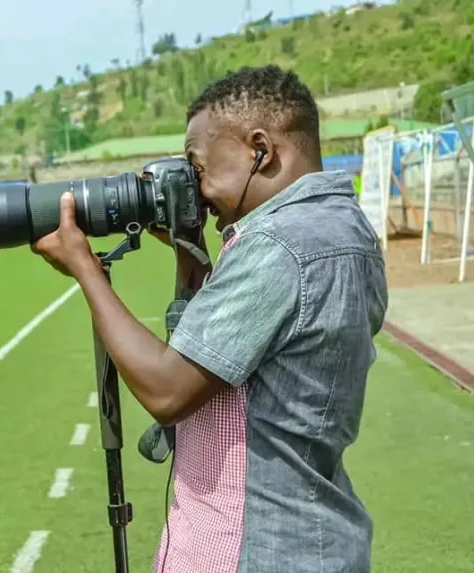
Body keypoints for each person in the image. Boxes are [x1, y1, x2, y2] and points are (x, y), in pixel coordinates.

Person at [32, 65, 387, 573]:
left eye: (197, 168)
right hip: (308, 538)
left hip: (255, 547)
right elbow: (233, 358)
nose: (196, 188)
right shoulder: (340, 227)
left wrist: (88, 270)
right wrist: (191, 254)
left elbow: (168, 391)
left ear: (259, 150)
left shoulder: (279, 245)